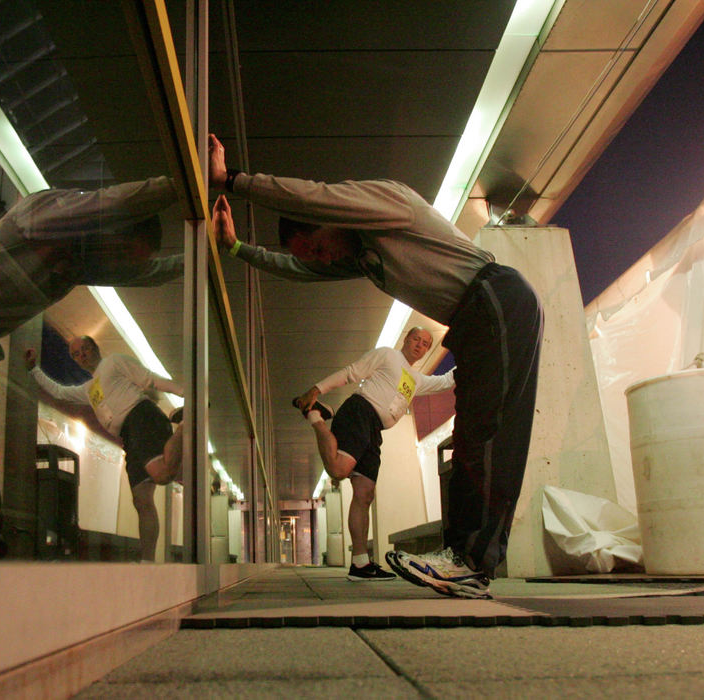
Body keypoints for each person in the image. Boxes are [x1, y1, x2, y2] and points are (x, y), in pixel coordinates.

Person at [209, 133, 543, 599]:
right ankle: (464, 560)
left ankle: (470, 561)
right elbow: (300, 269)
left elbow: (314, 195)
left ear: (331, 221)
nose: (325, 259)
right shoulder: (367, 258)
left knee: (489, 432)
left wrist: (234, 181)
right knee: (472, 434)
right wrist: (237, 249)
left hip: (496, 299)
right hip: (473, 317)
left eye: (320, 246)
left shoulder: (384, 204)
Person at [0, 177, 183, 558]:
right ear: (110, 232)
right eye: (124, 253)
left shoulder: (80, 265)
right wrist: (185, 185)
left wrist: (213, 254)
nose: (121, 266)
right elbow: (110, 202)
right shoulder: (45, 213)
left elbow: (148, 274)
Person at [295, 327, 454, 582]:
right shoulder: (388, 355)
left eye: (425, 344)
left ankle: (360, 565)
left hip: (375, 430)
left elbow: (447, 381)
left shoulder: (417, 380)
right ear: (406, 339)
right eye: (416, 339)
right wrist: (316, 390)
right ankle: (317, 417)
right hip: (359, 411)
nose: (419, 345)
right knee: (338, 470)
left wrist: (472, 359)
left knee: (365, 494)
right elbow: (350, 373)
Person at [25, 335, 184, 562]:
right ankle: (147, 561)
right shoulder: (90, 389)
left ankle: (185, 426)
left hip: (142, 417)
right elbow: (59, 392)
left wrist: (186, 392)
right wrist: (33, 370)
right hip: (129, 435)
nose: (81, 356)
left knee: (162, 475)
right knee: (141, 500)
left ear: (95, 347)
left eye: (84, 349)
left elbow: (150, 380)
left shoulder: (113, 362)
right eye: (75, 354)